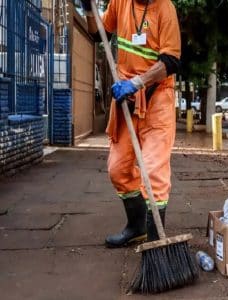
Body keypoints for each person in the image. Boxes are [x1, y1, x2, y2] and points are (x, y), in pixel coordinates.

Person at [80, 0, 181, 247]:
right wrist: (87, 8)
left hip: (157, 97)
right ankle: (137, 227)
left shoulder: (165, 8)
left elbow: (171, 61)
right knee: (118, 169)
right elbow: (97, 34)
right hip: (126, 99)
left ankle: (156, 245)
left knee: (153, 171)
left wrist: (137, 83)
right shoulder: (120, 3)